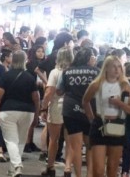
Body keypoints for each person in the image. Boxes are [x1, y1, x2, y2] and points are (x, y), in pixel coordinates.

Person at [83, 55, 130, 177]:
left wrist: (120, 103)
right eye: (113, 66)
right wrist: (91, 118)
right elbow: (85, 101)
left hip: (117, 125)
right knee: (98, 170)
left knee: (112, 169)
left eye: (119, 66)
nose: (117, 69)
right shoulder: (97, 84)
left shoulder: (125, 85)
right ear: (106, 68)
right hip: (99, 125)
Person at [0, 50, 39, 177]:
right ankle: (12, 170)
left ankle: (17, 165)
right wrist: (36, 115)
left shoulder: (6, 76)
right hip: (27, 112)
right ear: (24, 61)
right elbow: (36, 98)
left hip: (8, 111)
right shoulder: (29, 77)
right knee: (20, 141)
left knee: (10, 140)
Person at [58, 47, 100, 177]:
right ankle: (89, 174)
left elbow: (59, 91)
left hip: (71, 110)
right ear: (89, 58)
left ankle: (78, 175)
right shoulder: (96, 72)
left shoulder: (67, 72)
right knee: (90, 145)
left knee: (75, 147)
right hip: (91, 111)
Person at [41, 47, 73, 176]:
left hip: (56, 106)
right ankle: (68, 168)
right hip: (71, 107)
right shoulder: (73, 72)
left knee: (54, 139)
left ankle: (51, 166)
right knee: (69, 140)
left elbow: (49, 92)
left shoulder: (55, 72)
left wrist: (43, 107)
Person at [24, 43, 47, 153]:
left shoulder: (41, 63)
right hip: (31, 93)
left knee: (35, 119)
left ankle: (30, 142)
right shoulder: (32, 64)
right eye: (38, 51)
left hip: (39, 92)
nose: (41, 53)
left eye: (42, 51)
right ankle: (27, 143)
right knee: (32, 119)